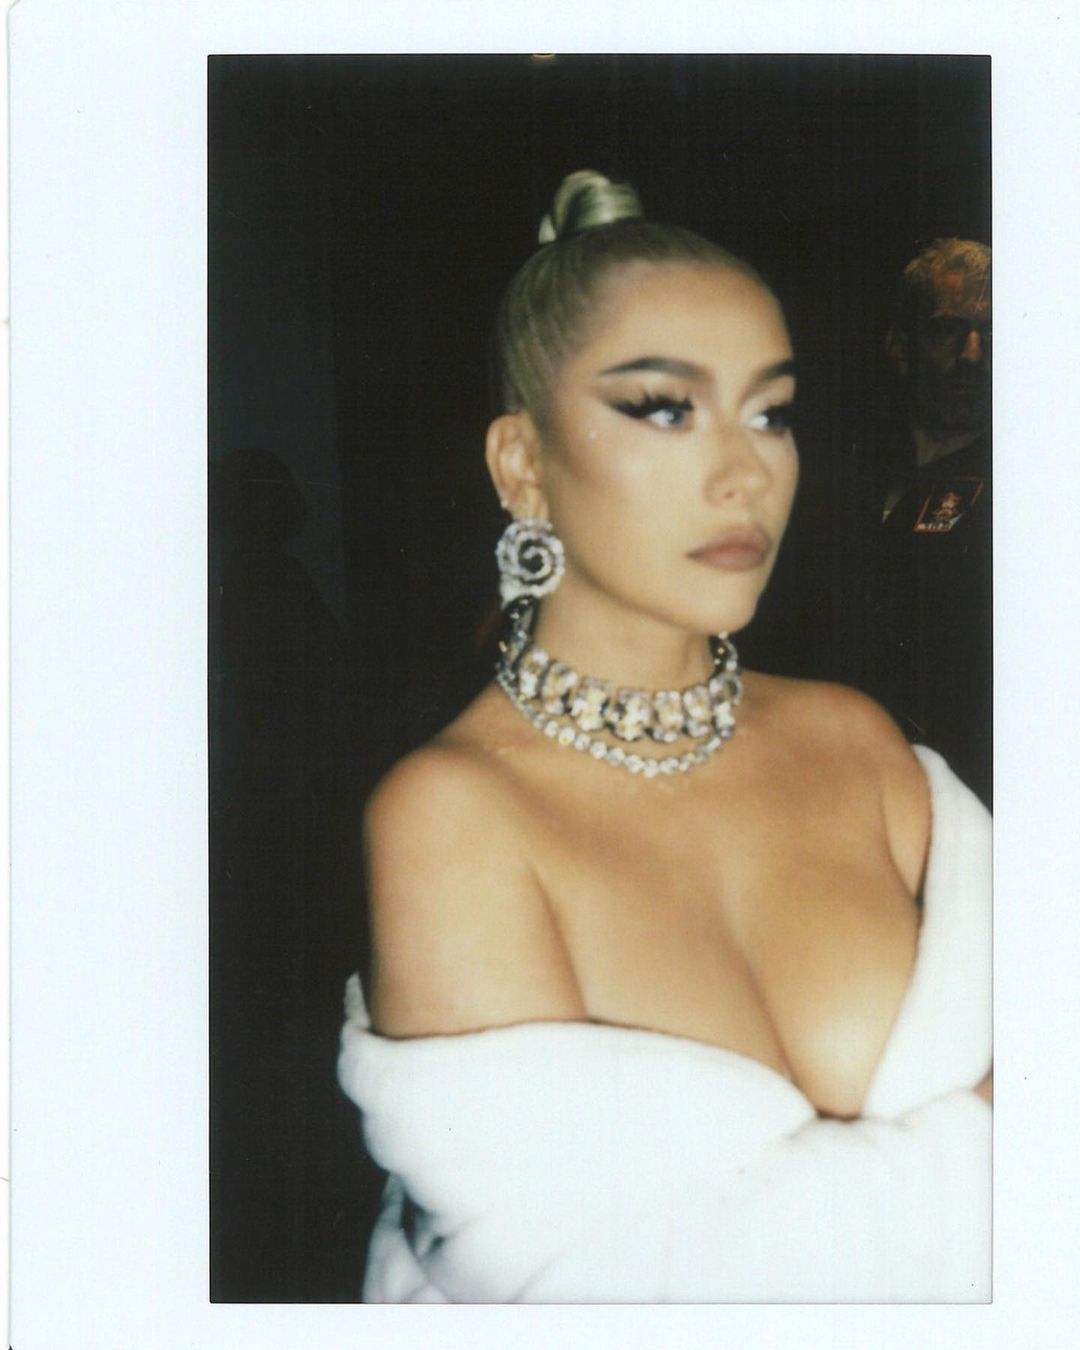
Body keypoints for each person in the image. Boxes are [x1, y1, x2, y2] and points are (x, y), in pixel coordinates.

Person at [337, 172, 992, 1302]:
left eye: (771, 412)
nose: (747, 473)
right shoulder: (450, 821)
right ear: (522, 465)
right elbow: (588, 1294)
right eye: (664, 408)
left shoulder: (863, 747)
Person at [868, 239, 992, 805]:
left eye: (991, 333)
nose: (974, 354)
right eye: (948, 331)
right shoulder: (849, 469)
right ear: (901, 347)